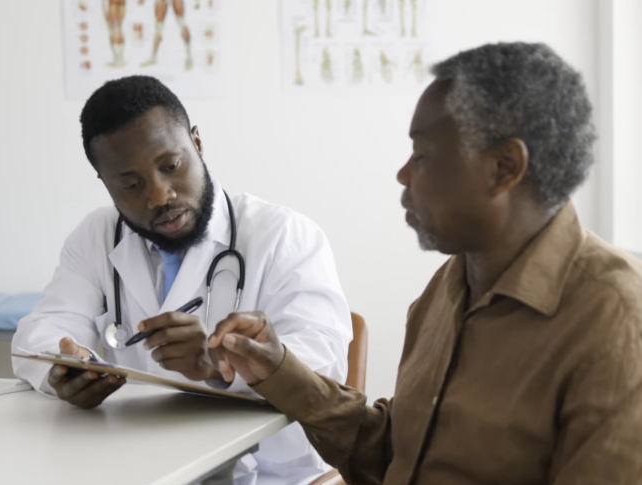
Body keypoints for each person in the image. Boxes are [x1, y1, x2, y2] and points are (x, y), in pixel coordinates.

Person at [209, 42, 642, 484]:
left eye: (422, 154)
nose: (403, 174)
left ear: (503, 167)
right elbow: (398, 453)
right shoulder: (450, 286)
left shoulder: (616, 320)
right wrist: (279, 369)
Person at [11, 75, 353, 485]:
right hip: (140, 468)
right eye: (131, 184)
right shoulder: (97, 236)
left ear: (198, 143)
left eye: (171, 166)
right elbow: (42, 329)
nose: (159, 196)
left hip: (271, 475)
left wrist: (220, 365)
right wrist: (65, 367)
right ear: (105, 183)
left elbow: (323, 363)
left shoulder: (284, 234)